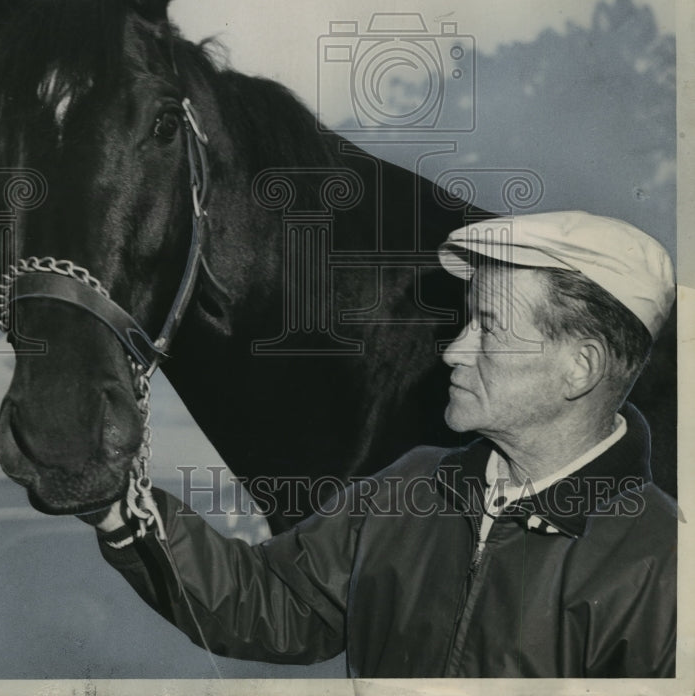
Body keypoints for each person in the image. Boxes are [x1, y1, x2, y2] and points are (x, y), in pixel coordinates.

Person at [89, 211, 677, 678]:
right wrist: (122, 510)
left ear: (581, 367)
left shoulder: (662, 564)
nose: (453, 351)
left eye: (490, 327)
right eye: (464, 322)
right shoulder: (412, 486)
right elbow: (272, 602)